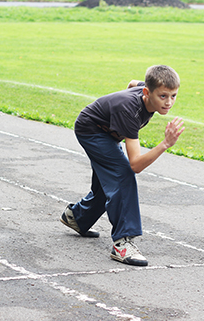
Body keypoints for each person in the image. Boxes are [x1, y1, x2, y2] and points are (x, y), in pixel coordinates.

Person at [60, 65, 184, 266]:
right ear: (147, 93)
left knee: (109, 180)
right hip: (90, 130)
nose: (169, 102)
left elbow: (133, 84)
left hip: (106, 132)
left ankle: (76, 217)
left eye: (173, 95)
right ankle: (123, 243)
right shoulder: (130, 111)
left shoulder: (145, 89)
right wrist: (165, 144)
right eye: (163, 96)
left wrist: (115, 117)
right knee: (123, 175)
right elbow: (135, 165)